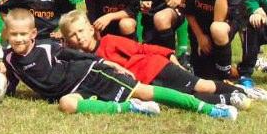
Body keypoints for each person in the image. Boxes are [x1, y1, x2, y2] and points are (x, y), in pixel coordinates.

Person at [0, 9, 238, 120]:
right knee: (67, 104)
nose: (18, 39)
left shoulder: (47, 47)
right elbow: (14, 78)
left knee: (146, 91)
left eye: (23, 34)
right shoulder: (8, 58)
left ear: (33, 34)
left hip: (91, 74)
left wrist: (107, 64)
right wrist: (2, 88)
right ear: (7, 34)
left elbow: (77, 57)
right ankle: (128, 108)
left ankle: (209, 109)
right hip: (73, 91)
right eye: (13, 34)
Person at [59, 10, 254, 109]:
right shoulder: (84, 62)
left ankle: (243, 91)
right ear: (67, 40)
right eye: (73, 35)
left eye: (81, 31)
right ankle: (231, 99)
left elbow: (142, 48)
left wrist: (169, 55)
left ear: (91, 29)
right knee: (186, 98)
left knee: (203, 86)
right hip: (146, 86)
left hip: (157, 68)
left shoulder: (109, 41)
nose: (79, 37)